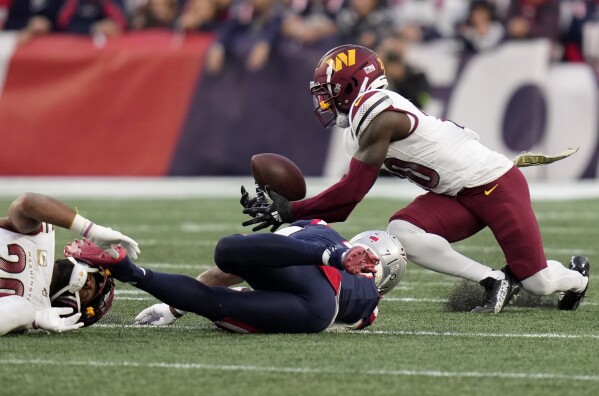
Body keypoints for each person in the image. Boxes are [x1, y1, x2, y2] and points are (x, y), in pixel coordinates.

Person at [241, 44, 590, 314]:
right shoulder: (364, 123)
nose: (324, 100)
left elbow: (348, 198)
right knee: (402, 232)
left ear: (352, 85)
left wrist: (288, 212)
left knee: (539, 283)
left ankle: (577, 278)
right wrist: (291, 211)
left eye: (330, 90)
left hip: (495, 184)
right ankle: (494, 279)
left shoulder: (379, 114)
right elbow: (345, 192)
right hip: (455, 194)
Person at [64, 217, 407, 333]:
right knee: (218, 307)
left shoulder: (319, 228)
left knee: (227, 252)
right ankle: (129, 272)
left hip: (306, 271)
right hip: (316, 310)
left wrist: (174, 308)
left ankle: (133, 271)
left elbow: (226, 271)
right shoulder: (370, 307)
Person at [0, 193, 140, 335]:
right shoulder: (39, 237)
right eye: (93, 277)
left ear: (69, 306)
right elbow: (28, 203)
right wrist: (90, 230)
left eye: (87, 294)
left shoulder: (37, 310)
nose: (88, 283)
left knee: (24, 309)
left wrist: (33, 320)